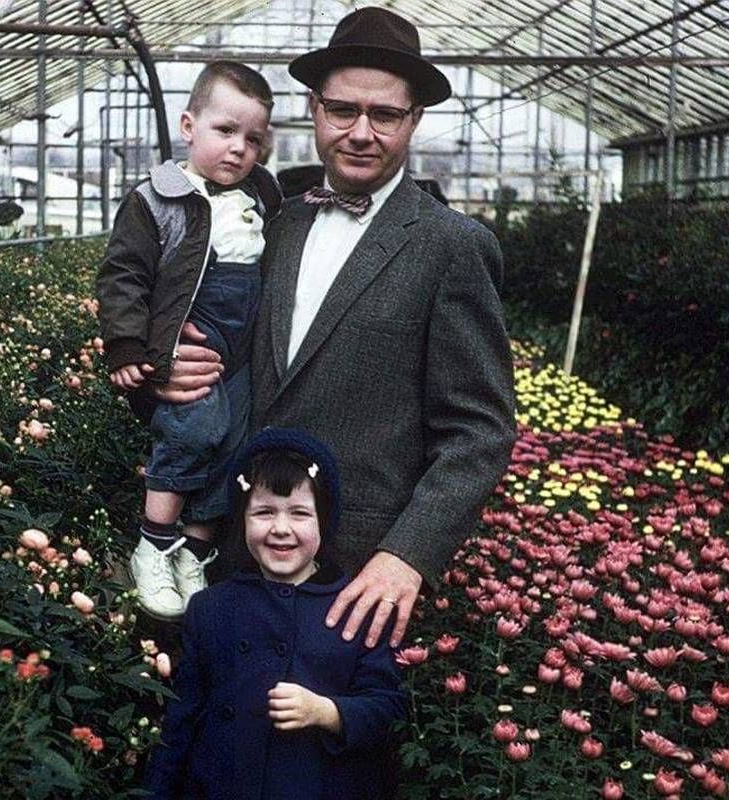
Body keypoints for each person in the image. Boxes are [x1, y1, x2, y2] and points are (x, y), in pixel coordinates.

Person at [156, 8, 517, 647]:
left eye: (384, 115)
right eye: (342, 110)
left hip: (357, 579)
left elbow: (479, 430)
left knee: (337, 741)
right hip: (232, 554)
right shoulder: (273, 222)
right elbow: (211, 327)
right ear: (315, 109)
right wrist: (165, 366)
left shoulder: (451, 246)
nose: (360, 132)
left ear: (414, 121)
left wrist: (407, 556)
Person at [95, 61, 284, 621]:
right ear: (188, 126)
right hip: (191, 341)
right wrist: (129, 347)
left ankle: (194, 553)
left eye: (253, 139)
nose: (239, 149)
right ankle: (153, 544)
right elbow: (123, 276)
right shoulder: (158, 197)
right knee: (195, 427)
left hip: (242, 348)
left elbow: (294, 208)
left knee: (237, 443)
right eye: (225, 131)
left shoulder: (262, 194)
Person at [143, 428, 407, 800]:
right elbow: (180, 722)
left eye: (299, 513)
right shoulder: (210, 608)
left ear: (323, 521)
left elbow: (388, 709)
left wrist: (326, 712)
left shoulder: (356, 605)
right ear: (243, 520)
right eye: (264, 512)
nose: (281, 529)